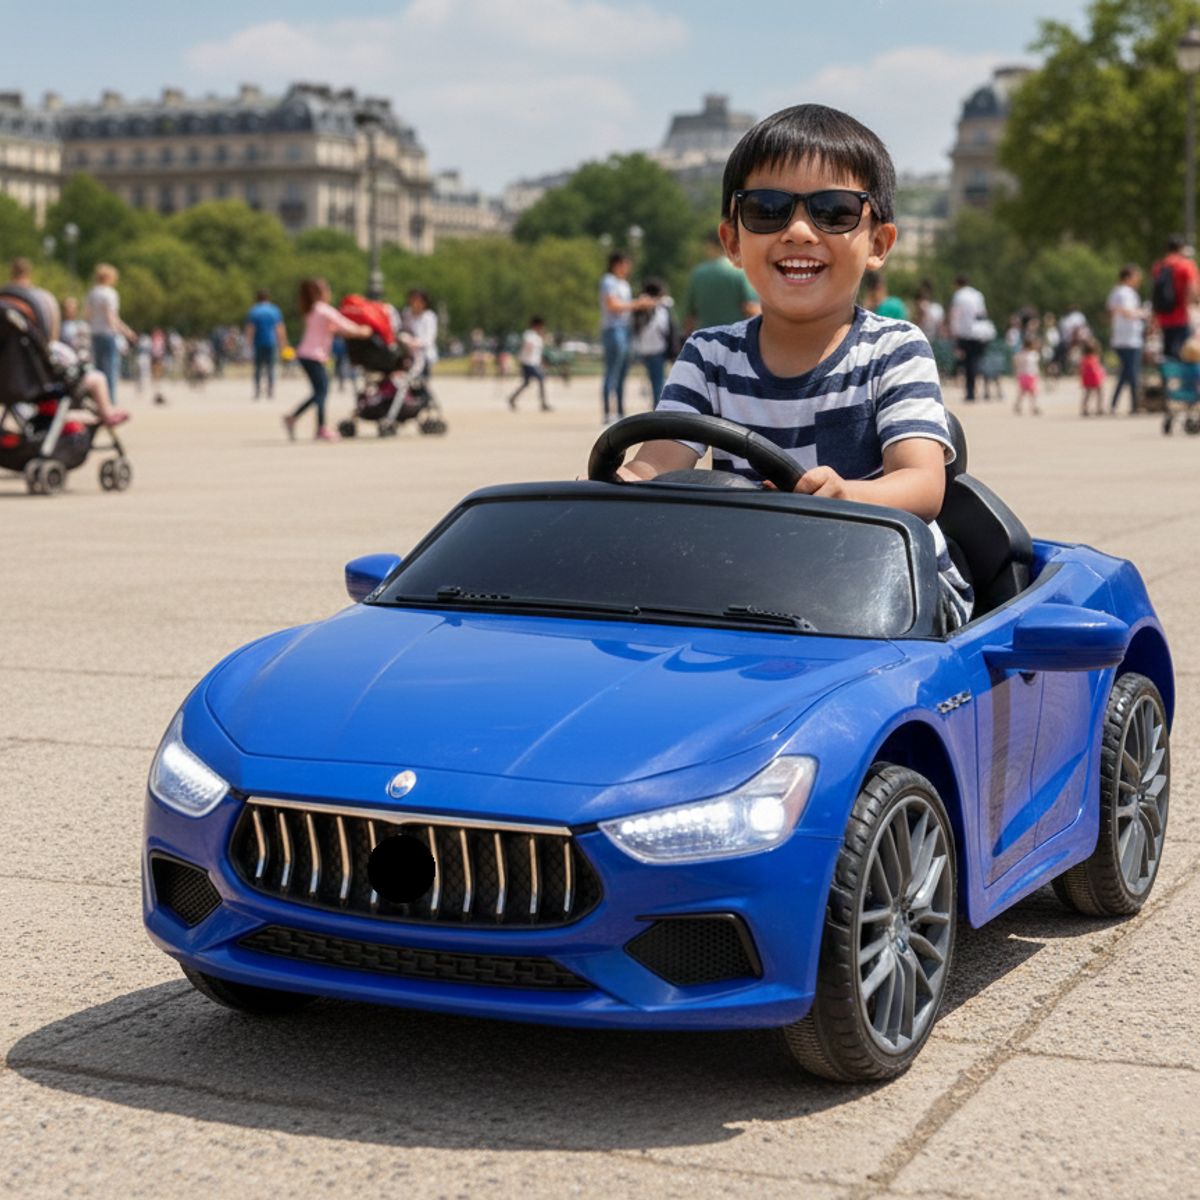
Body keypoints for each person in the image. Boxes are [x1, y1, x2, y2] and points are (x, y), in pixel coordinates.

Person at [618, 102, 972, 630]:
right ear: (733, 242)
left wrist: (847, 495)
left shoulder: (894, 348)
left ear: (878, 243)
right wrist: (617, 485)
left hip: (890, 588)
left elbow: (922, 485)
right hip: (754, 587)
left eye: (833, 212)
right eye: (767, 209)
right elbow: (653, 466)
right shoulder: (709, 354)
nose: (800, 231)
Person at [6, 258, 129, 427]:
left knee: (100, 365)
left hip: (4, 377)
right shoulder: (42, 299)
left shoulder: (93, 293)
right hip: (34, 380)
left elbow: (87, 314)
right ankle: (108, 410)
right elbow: (51, 337)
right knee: (101, 374)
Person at [283, 278, 372, 442]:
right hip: (313, 355)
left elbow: (334, 329)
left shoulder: (312, 310)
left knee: (319, 392)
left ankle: (303, 421)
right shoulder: (324, 310)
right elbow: (344, 325)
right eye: (327, 289)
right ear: (320, 293)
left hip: (307, 355)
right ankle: (315, 426)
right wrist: (363, 330)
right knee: (321, 392)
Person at [599, 252, 654, 423]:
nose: (628, 268)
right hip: (613, 329)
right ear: (617, 264)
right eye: (626, 264)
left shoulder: (624, 284)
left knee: (623, 372)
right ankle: (608, 411)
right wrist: (638, 304)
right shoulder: (609, 281)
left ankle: (621, 410)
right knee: (612, 371)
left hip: (625, 329)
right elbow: (613, 305)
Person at [683, 229, 761, 333]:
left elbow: (689, 317)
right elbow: (751, 308)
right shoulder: (739, 271)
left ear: (710, 245)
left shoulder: (698, 274)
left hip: (705, 341)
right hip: (735, 340)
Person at [84, 263, 136, 405]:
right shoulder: (110, 293)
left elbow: (87, 315)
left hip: (95, 334)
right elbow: (111, 317)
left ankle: (98, 401)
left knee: (98, 370)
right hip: (108, 334)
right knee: (110, 371)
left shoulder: (92, 293)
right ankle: (110, 402)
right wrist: (126, 332)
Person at [1151, 235, 1200, 360]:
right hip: (1182, 315)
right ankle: (1183, 378)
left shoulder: (1159, 266)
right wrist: (1192, 307)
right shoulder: (1186, 265)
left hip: (1164, 315)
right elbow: (1192, 288)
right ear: (1181, 248)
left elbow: (1155, 291)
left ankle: (1168, 377)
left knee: (1168, 351)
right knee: (1184, 352)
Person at [1107, 264, 1146, 414]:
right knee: (1132, 373)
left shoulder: (1116, 292)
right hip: (1128, 339)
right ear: (1129, 277)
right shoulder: (1125, 293)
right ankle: (1135, 405)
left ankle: (1115, 404)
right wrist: (1142, 313)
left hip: (1123, 337)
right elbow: (1127, 312)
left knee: (1126, 373)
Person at [630, 279, 674, 403]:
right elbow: (665, 327)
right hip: (657, 349)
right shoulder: (659, 309)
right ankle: (658, 409)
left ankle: (657, 407)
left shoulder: (641, 310)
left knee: (656, 382)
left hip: (646, 349)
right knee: (658, 383)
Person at [948, 274, 990, 402]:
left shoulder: (959, 296)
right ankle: (984, 390)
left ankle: (970, 392)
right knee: (977, 362)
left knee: (968, 363)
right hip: (981, 332)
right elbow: (983, 313)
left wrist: (954, 332)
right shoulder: (977, 294)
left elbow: (956, 315)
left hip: (966, 333)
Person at [244, 289, 289, 400]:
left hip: (258, 342)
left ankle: (257, 391)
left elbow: (251, 328)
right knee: (271, 368)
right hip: (271, 342)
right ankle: (270, 391)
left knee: (258, 368)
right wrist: (283, 342)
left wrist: (248, 342)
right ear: (268, 298)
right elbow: (279, 328)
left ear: (257, 298)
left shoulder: (254, 311)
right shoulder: (274, 310)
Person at [507, 316, 550, 412]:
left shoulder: (537, 336)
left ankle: (512, 398)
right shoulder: (529, 334)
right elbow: (527, 345)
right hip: (528, 362)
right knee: (541, 378)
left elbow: (538, 351)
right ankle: (543, 403)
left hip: (533, 362)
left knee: (526, 383)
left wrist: (542, 361)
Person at [399, 288, 438, 379]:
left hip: (424, 354)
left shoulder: (429, 317)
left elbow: (429, 339)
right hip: (408, 352)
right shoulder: (406, 313)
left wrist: (415, 343)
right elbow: (402, 330)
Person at [1013, 335, 1042, 416]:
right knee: (1027, 392)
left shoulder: (1021, 354)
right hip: (1027, 375)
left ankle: (1030, 406)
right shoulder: (1033, 355)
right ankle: (1031, 407)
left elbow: (1016, 362)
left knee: (1028, 392)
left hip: (1027, 375)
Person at [1078, 337, 1106, 417]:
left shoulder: (1092, 357)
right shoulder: (1089, 358)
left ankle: (1098, 408)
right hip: (1093, 378)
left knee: (1092, 393)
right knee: (1093, 393)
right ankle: (1091, 408)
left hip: (1093, 378)